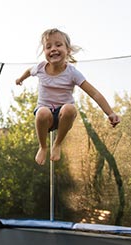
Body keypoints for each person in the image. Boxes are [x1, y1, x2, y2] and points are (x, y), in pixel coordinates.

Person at [15, 28, 120, 165]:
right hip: (45, 116)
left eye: (58, 45)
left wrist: (110, 113)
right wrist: (20, 78)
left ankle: (57, 143)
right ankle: (43, 146)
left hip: (62, 117)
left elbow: (94, 93)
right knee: (42, 112)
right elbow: (29, 71)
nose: (53, 49)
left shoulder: (72, 73)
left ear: (68, 50)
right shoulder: (40, 68)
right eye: (48, 47)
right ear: (44, 51)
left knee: (69, 108)